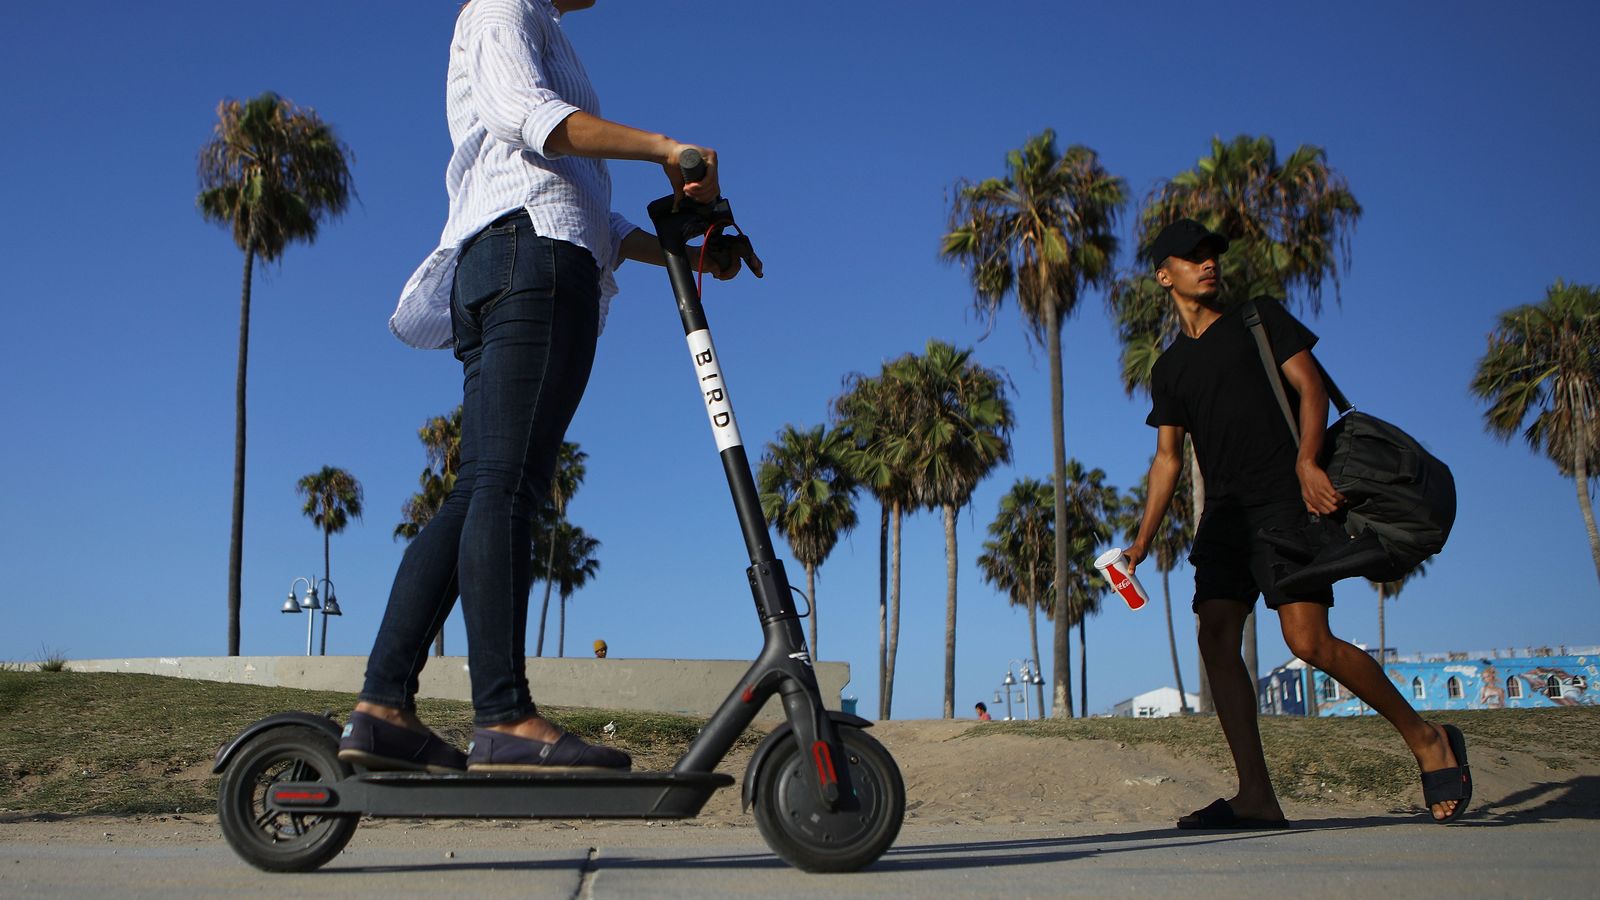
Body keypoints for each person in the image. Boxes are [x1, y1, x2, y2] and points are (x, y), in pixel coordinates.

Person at [336, 0, 746, 776]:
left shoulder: (541, 28)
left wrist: (685, 254)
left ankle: (383, 708)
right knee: (507, 489)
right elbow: (535, 120)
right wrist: (666, 148)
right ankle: (502, 718)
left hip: (525, 254)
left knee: (481, 491)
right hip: (530, 260)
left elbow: (583, 203)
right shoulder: (501, 8)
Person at [1124, 219, 1471, 827]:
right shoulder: (1171, 369)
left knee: (1308, 642)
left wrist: (1308, 462)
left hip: (1286, 502)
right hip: (1225, 518)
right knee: (1215, 641)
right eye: (1193, 256)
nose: (1208, 263)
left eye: (1213, 254)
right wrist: (1142, 540)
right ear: (1164, 275)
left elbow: (1311, 388)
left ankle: (1428, 738)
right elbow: (1167, 458)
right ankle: (1255, 794)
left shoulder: (1258, 319)